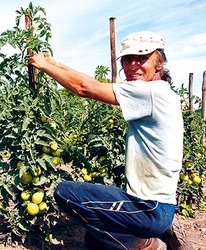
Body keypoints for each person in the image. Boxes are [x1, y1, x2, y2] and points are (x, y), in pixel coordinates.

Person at [28, 31, 192, 249]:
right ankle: (160, 236)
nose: (133, 65)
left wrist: (43, 65)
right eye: (127, 59)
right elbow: (93, 82)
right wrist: (57, 64)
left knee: (65, 193)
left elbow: (84, 88)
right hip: (161, 207)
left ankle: (148, 244)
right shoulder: (162, 92)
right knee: (93, 239)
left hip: (149, 209)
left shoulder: (150, 92)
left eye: (142, 58)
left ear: (159, 63)